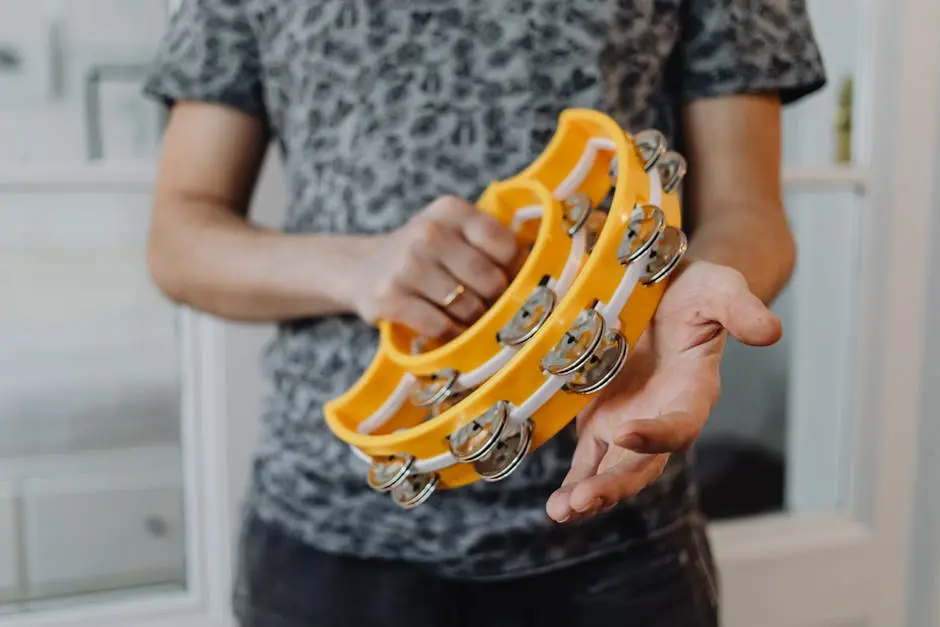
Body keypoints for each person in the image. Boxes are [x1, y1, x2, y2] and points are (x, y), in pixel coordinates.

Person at [142, 1, 825, 625]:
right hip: (328, 537)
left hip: (615, 535)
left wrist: (685, 303)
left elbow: (750, 212)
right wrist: (355, 268)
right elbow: (178, 237)